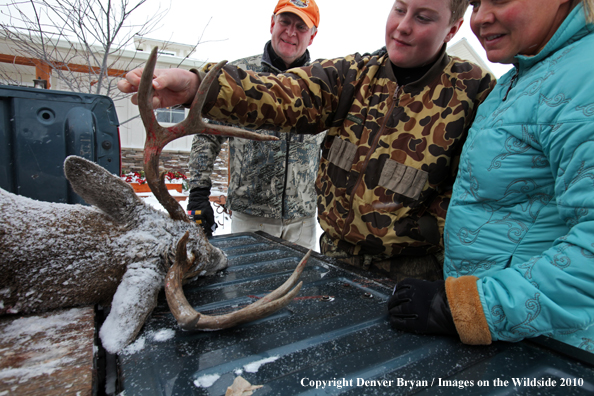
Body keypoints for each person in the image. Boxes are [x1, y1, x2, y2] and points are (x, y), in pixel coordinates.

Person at [118, 0, 495, 282]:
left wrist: (452, 289)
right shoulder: (352, 75)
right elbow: (282, 93)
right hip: (332, 260)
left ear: (453, 28)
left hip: (412, 279)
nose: (402, 27)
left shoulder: (474, 92)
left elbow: (484, 204)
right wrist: (198, 85)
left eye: (423, 17)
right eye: (399, 9)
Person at [387, 0, 594, 352]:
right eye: (476, 2)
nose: (480, 17)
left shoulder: (584, 79)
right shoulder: (521, 75)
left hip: (548, 349)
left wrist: (470, 307)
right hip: (501, 338)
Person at [186, 0, 325, 251]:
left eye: (301, 27)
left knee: (302, 290)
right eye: (285, 22)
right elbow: (206, 135)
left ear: (312, 36)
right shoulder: (237, 76)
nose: (290, 32)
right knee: (248, 289)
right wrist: (198, 192)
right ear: (272, 23)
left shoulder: (321, 84)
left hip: (302, 222)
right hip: (251, 218)